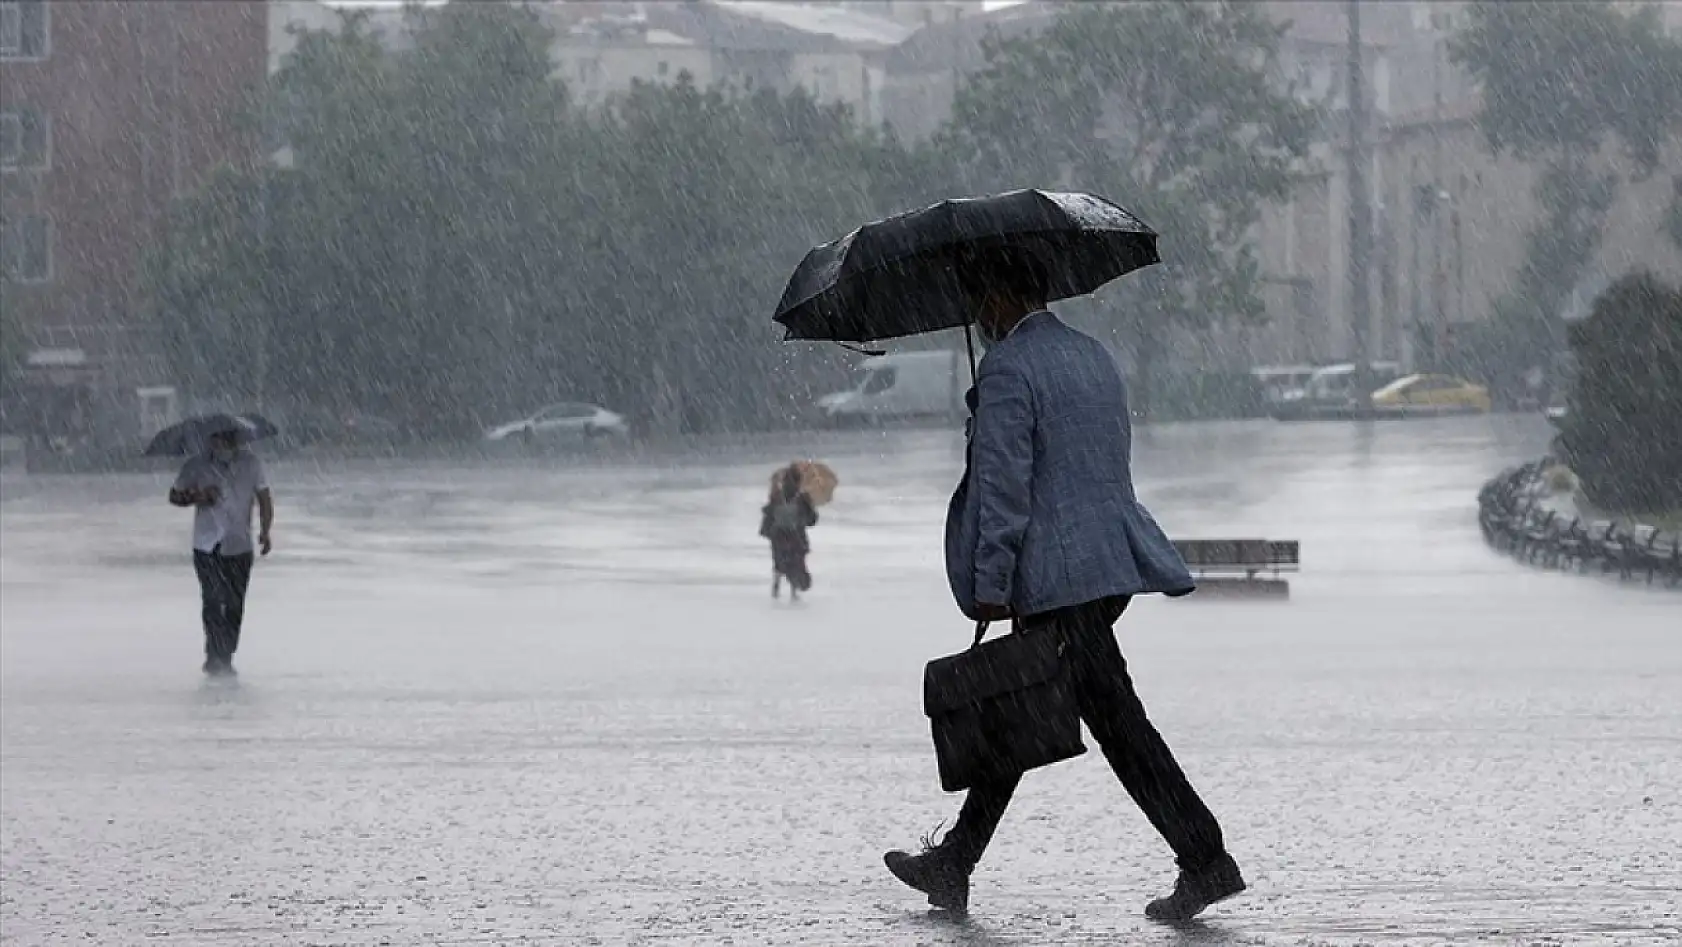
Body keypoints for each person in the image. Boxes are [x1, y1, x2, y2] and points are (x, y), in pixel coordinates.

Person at [883, 248, 1243, 922]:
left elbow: (1005, 489)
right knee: (1022, 707)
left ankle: (1205, 857)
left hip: (1055, 579)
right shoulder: (1093, 355)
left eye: (978, 300)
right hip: (1105, 567)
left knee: (1113, 723)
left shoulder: (1009, 369)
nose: (976, 315)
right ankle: (955, 861)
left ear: (999, 295)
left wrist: (992, 582)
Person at [169, 430, 273, 676]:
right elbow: (174, 495)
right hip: (206, 544)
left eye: (226, 440)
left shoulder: (251, 464)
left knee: (235, 603)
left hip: (239, 544)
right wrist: (198, 496)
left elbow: (265, 498)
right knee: (213, 599)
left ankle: (226, 653)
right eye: (216, 440)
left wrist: (265, 531)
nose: (221, 445)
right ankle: (214, 654)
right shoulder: (196, 465)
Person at [760, 463, 818, 601]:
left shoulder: (777, 496)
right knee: (796, 563)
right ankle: (793, 590)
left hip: (779, 536)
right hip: (795, 537)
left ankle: (778, 585)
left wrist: (768, 530)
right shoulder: (802, 498)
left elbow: (769, 514)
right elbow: (812, 520)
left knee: (780, 562)